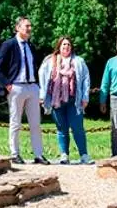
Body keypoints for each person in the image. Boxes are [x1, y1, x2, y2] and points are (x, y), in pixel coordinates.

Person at [0, 16, 49, 165]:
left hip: (32, 87)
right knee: (15, 122)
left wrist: (38, 86)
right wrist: (7, 84)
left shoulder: (31, 46)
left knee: (35, 123)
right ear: (17, 28)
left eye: (30, 26)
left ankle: (38, 155)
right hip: (16, 86)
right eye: (26, 26)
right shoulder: (8, 45)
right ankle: (15, 154)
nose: (29, 29)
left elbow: (36, 67)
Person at [38, 36, 93, 164]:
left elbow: (86, 79)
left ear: (71, 47)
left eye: (68, 44)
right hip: (56, 101)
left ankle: (84, 155)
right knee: (61, 129)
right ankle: (64, 155)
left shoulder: (79, 61)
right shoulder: (50, 61)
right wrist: (42, 95)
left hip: (74, 100)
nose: (66, 47)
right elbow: (43, 77)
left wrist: (85, 97)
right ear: (59, 46)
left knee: (77, 128)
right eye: (63, 44)